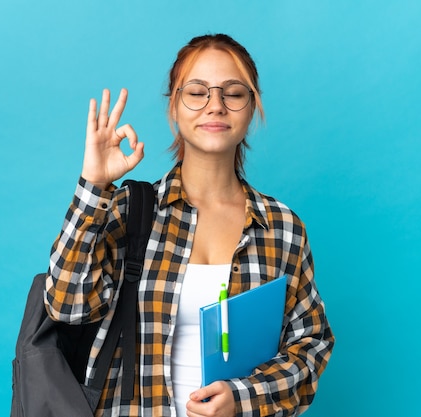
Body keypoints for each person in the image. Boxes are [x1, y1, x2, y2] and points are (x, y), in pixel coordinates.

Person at [44, 33, 334, 417]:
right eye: (197, 92)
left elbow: (310, 344)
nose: (215, 105)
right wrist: (94, 186)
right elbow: (67, 305)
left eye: (233, 93)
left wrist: (243, 398)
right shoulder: (130, 210)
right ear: (174, 109)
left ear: (252, 107)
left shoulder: (281, 228)